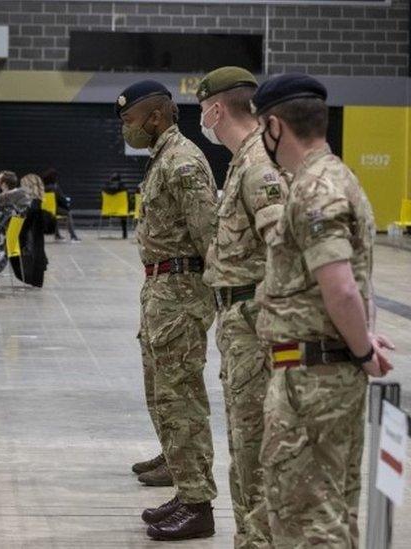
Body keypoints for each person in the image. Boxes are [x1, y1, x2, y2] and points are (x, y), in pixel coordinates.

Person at [252, 74, 394, 547]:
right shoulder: (339, 177)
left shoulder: (315, 189)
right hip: (322, 371)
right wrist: (361, 342)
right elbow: (357, 280)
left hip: (310, 380)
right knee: (331, 513)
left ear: (275, 126)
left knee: (306, 521)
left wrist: (361, 351)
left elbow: (342, 289)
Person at [116, 80, 218, 541]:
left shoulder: (183, 162)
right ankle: (184, 486)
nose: (126, 129)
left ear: (155, 116)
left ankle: (198, 505)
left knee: (182, 399)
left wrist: (207, 302)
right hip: (161, 290)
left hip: (180, 292)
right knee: (164, 396)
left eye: (129, 120)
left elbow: (210, 240)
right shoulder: (162, 157)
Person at [196, 67, 288, 548]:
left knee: (253, 447)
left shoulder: (256, 165)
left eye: (201, 109)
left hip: (256, 325)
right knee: (245, 443)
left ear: (215, 109)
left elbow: (284, 246)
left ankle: (258, 541)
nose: (201, 119)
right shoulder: (243, 161)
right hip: (241, 322)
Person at [41, 168, 80, 241]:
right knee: (68, 213)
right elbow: (62, 199)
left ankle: (57, 235)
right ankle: (73, 236)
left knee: (54, 216)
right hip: (54, 209)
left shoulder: (41, 188)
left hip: (43, 211)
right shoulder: (55, 188)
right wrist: (67, 206)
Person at [101, 173, 129, 239]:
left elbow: (102, 199)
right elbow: (128, 199)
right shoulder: (124, 189)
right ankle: (124, 233)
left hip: (107, 211)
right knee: (124, 213)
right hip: (121, 212)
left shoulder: (105, 189)